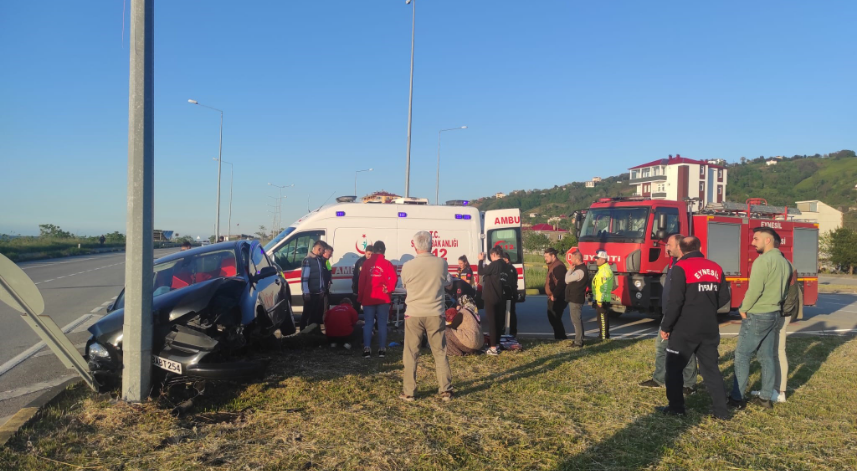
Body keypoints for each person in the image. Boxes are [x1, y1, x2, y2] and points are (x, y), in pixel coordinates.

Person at [658, 236, 731, 419]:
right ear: (699, 247)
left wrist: (666, 326)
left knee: (674, 369)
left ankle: (676, 408)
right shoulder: (715, 267)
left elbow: (675, 301)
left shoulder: (680, 267)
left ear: (681, 249)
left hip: (684, 327)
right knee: (711, 370)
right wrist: (707, 307)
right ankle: (721, 412)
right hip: (709, 327)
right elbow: (724, 297)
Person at [729, 227, 792, 409]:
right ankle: (765, 398)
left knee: (742, 355)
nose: (753, 242)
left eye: (756, 239)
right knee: (766, 357)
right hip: (774, 313)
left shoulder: (762, 261)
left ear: (767, 240)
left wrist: (743, 308)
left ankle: (737, 398)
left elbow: (755, 289)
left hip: (758, 313)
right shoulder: (785, 262)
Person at [639, 234, 698, 393]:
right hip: (670, 313)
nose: (666, 248)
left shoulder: (686, 265)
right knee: (661, 346)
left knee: (685, 350)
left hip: (681, 315)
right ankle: (659, 379)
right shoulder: (674, 263)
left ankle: (689, 384)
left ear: (679, 246)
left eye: (669, 245)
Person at [399, 231, 453, 401]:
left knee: (411, 353)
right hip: (435, 312)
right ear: (432, 244)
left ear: (414, 245)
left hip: (414, 313)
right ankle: (445, 389)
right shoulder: (441, 263)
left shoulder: (408, 266)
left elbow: (405, 285)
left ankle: (409, 392)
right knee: (439, 352)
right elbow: (448, 282)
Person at [357, 241, 397, 358]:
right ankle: (382, 349)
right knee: (382, 323)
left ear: (373, 250)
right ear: (384, 251)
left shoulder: (366, 263)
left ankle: (367, 349)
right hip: (383, 298)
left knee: (369, 323)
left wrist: (360, 297)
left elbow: (361, 282)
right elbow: (393, 279)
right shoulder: (387, 264)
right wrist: (388, 289)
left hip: (369, 298)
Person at [478, 246, 507, 356]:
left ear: (494, 254)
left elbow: (481, 271)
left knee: (492, 323)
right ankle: (497, 344)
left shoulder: (494, 264)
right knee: (499, 322)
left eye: (490, 256)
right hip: (501, 296)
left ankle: (493, 348)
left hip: (491, 296)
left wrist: (481, 260)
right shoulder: (504, 264)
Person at [563, 250, 589, 348]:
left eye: (572, 258)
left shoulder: (579, 271)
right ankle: (579, 339)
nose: (571, 260)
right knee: (576, 320)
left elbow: (567, 280)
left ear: (577, 259)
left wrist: (570, 269)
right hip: (575, 298)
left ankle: (578, 342)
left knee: (576, 321)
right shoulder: (580, 269)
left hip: (576, 299)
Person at [299, 240, 327, 330]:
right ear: (319, 249)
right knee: (307, 314)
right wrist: (306, 292)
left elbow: (320, 276)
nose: (323, 253)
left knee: (315, 315)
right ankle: (302, 332)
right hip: (310, 293)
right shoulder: (308, 260)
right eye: (323, 250)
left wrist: (322, 290)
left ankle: (312, 332)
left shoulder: (318, 260)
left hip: (318, 293)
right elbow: (304, 278)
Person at [544, 247, 568, 340]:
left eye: (547, 256)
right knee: (553, 317)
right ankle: (559, 336)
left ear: (553, 256)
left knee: (555, 318)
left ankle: (561, 337)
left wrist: (554, 295)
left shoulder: (558, 266)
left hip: (558, 298)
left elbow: (561, 283)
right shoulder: (553, 265)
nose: (545, 258)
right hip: (553, 297)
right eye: (544, 256)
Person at [592, 250, 614, 340]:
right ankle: (603, 335)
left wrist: (600, 300)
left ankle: (604, 336)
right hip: (600, 298)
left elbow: (604, 286)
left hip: (602, 299)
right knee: (600, 318)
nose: (596, 260)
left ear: (603, 260)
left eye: (598, 258)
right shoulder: (602, 269)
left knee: (602, 318)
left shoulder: (604, 271)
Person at [351, 245, 375, 311]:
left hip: (368, 289)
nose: (370, 256)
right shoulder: (361, 262)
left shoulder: (373, 261)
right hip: (359, 288)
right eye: (368, 254)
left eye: (372, 254)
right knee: (357, 308)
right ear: (365, 253)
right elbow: (358, 277)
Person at [501, 252, 519, 337]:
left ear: (506, 260)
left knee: (511, 313)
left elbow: (511, 283)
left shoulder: (510, 269)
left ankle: (512, 331)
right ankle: (505, 330)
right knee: (504, 313)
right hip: (504, 294)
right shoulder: (505, 268)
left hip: (510, 294)